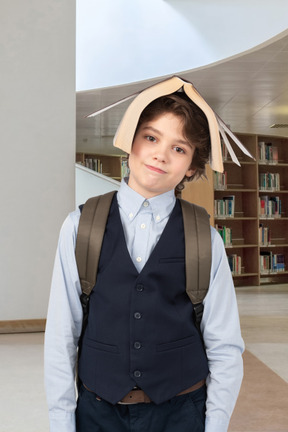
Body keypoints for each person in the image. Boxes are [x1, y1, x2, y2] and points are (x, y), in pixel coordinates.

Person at [44, 89, 244, 432]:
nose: (160, 155)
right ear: (129, 140)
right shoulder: (80, 226)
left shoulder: (205, 238)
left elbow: (224, 345)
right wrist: (62, 423)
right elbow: (62, 335)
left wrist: (215, 425)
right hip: (97, 413)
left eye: (178, 148)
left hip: (182, 412)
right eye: (151, 137)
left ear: (192, 166)